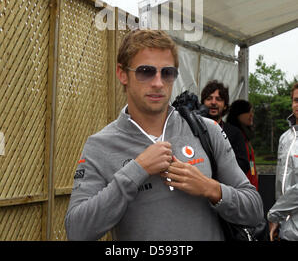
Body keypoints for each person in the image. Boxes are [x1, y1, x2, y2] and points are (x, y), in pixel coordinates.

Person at [65, 29, 263, 241]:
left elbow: (254, 209)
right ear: (122, 74)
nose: (158, 83)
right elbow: (77, 231)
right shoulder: (100, 145)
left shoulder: (208, 130)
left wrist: (210, 188)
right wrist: (136, 170)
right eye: (145, 71)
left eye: (167, 73)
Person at [267, 82, 298, 241]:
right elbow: (281, 183)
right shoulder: (285, 138)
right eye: (296, 100)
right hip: (286, 228)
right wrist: (278, 220)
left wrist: (275, 214)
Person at [201, 81, 250, 176]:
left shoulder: (235, 133)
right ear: (202, 103)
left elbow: (244, 165)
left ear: (225, 106)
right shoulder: (193, 130)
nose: (213, 102)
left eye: (218, 99)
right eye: (209, 98)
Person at [226, 99, 258, 190]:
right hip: (240, 189)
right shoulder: (230, 136)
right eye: (248, 112)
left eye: (252, 112)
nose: (251, 115)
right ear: (238, 113)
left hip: (250, 187)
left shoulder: (245, 135)